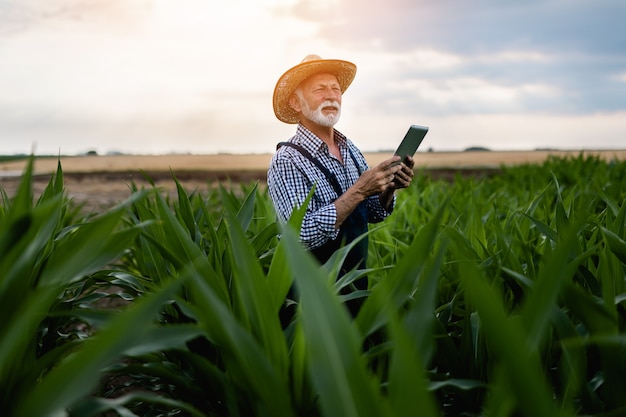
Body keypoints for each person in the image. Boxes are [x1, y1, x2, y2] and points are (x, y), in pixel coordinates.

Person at [267, 54, 415, 315]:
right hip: (310, 297)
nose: (331, 96)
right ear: (296, 102)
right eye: (319, 89)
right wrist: (359, 189)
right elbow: (299, 234)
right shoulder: (287, 159)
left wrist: (390, 187)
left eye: (336, 89)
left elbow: (372, 213)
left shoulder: (351, 149)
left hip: (354, 287)